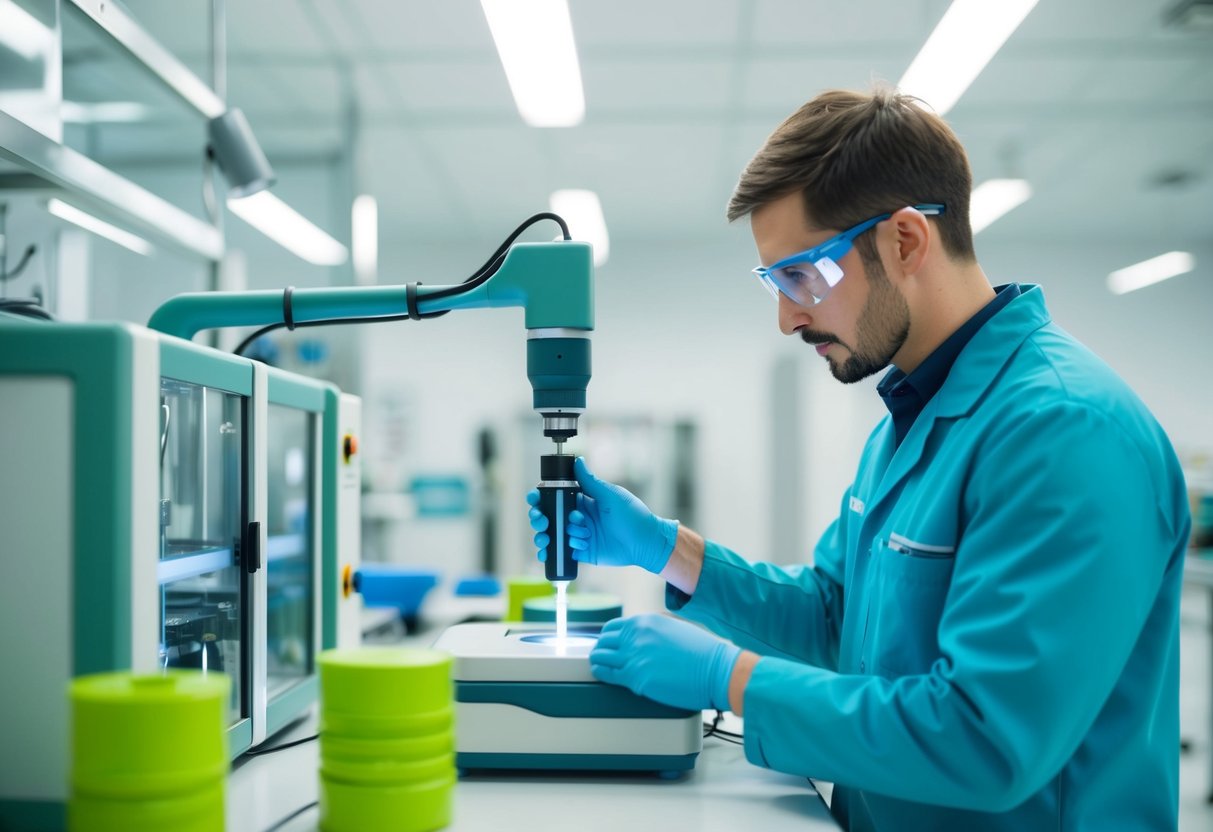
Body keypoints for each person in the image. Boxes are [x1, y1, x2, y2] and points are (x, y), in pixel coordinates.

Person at [527, 87, 1191, 831]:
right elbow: (836, 618)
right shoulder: (910, 418)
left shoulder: (1063, 433)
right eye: (773, 283)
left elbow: (985, 739)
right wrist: (665, 549)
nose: (786, 317)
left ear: (904, 240)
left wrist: (730, 678)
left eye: (801, 276)